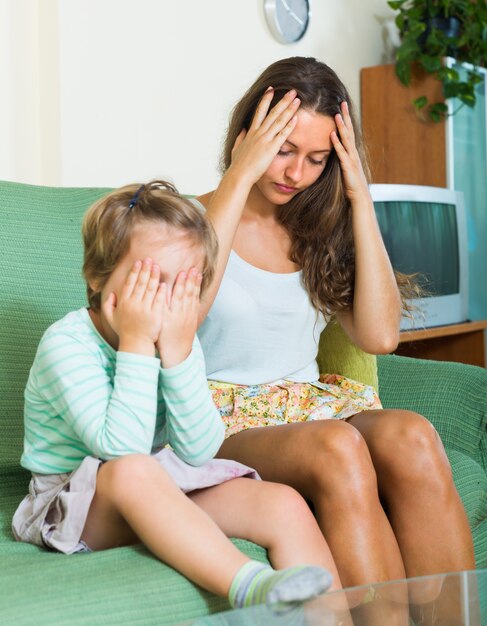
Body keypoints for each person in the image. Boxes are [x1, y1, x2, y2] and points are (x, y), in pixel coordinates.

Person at [195, 56, 475, 591]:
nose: (296, 174)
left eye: (317, 158)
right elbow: (184, 319)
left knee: (412, 434)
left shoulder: (316, 229)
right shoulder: (183, 218)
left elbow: (380, 337)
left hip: (307, 406)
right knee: (337, 446)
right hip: (213, 416)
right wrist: (237, 178)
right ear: (247, 135)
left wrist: (358, 199)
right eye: (282, 150)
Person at [11, 180, 339, 610]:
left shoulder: (176, 341)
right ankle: (248, 584)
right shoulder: (66, 345)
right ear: (98, 276)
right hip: (70, 503)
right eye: (150, 282)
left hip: (154, 483)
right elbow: (121, 449)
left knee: (284, 504)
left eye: (185, 286)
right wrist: (135, 345)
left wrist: (180, 355)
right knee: (131, 471)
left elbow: (199, 450)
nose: (165, 304)